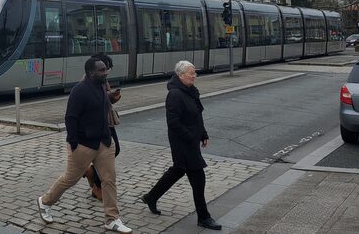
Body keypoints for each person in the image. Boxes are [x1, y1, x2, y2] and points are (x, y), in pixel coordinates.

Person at [37, 57, 132, 234]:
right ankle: (45, 201)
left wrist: (110, 98)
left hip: (104, 142)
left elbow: (101, 107)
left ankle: (112, 219)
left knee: (109, 179)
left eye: (106, 70)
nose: (105, 73)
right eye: (101, 70)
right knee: (70, 179)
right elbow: (70, 118)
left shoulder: (102, 86)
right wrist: (74, 143)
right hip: (83, 144)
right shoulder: (79, 91)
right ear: (90, 73)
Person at [140, 60, 222, 231]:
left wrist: (203, 133)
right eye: (191, 73)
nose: (194, 76)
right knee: (198, 179)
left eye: (194, 73)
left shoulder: (190, 91)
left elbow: (197, 116)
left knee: (177, 170)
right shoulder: (175, 94)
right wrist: (191, 137)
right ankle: (204, 217)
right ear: (181, 75)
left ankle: (151, 196)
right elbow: (173, 122)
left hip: (190, 141)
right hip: (182, 142)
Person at [83, 52, 121, 201]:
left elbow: (104, 99)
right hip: (101, 122)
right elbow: (96, 99)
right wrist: (109, 96)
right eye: (105, 68)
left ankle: (91, 172)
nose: (107, 72)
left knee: (110, 152)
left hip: (106, 120)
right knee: (110, 152)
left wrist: (113, 98)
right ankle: (97, 187)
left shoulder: (102, 80)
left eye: (107, 69)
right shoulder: (89, 82)